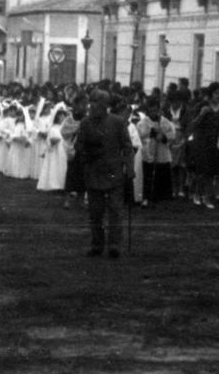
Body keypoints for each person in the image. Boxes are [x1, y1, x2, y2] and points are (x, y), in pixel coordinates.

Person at [76, 91, 132, 258]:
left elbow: (127, 146)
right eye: (91, 101)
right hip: (94, 172)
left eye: (96, 102)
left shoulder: (117, 122)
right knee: (95, 211)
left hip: (114, 173)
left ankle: (115, 245)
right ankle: (97, 244)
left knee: (115, 210)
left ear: (105, 105)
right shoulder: (85, 123)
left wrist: (129, 167)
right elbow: (79, 145)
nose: (92, 105)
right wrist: (86, 154)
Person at [137, 100, 176, 206]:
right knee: (148, 175)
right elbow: (140, 135)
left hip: (162, 152)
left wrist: (163, 137)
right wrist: (152, 133)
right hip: (148, 152)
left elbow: (172, 135)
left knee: (160, 174)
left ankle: (159, 196)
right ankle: (146, 197)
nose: (154, 113)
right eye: (151, 111)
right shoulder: (143, 122)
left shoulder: (165, 121)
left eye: (156, 110)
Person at [37, 108, 71, 195]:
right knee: (55, 167)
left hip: (64, 150)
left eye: (63, 116)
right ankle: (55, 185)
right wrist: (52, 142)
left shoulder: (66, 128)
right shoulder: (53, 128)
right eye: (60, 116)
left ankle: (64, 185)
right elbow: (49, 140)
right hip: (55, 151)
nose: (62, 118)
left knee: (64, 167)